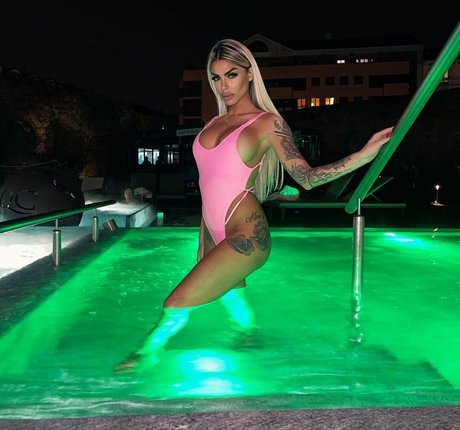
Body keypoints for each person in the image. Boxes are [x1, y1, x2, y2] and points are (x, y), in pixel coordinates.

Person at [115, 39, 393, 372]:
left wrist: (363, 155)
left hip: (247, 233)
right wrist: (204, 239)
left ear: (249, 74)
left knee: (175, 303)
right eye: (216, 77)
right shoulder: (212, 124)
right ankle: (249, 334)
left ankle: (147, 353)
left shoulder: (267, 123)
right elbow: (208, 186)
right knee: (233, 294)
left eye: (231, 74)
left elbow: (306, 178)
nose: (224, 86)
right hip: (214, 230)